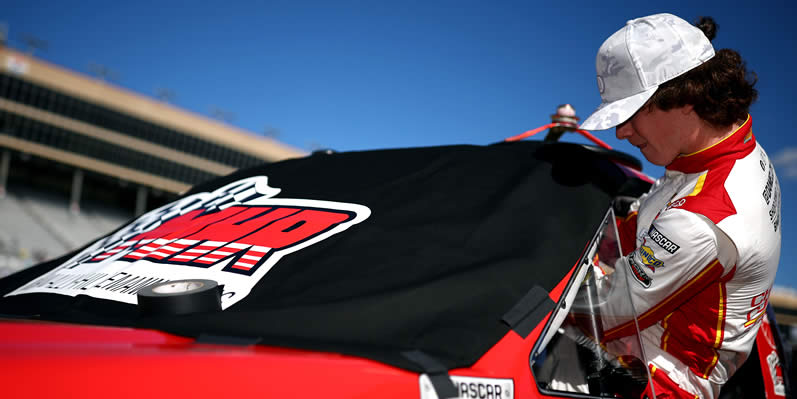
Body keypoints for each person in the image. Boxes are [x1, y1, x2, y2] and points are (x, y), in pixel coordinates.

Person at [579, 13, 782, 398]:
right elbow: (649, 218)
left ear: (686, 96)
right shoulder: (729, 147)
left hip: (654, 381)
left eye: (632, 113)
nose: (622, 132)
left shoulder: (702, 219)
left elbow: (601, 313)